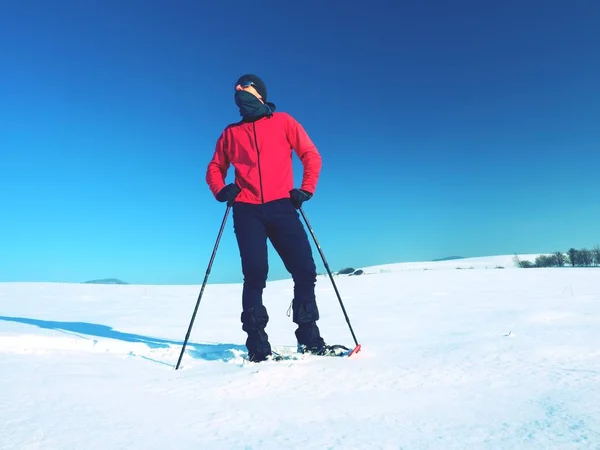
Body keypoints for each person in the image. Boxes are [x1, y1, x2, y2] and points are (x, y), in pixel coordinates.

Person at [205, 74, 334, 362]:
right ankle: (257, 346)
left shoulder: (284, 122)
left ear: (260, 94)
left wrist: (306, 189)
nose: (239, 91)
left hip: (282, 206)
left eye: (246, 87)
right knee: (255, 274)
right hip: (247, 209)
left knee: (304, 270)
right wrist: (221, 189)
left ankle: (310, 338)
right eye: (236, 89)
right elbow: (214, 168)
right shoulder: (230, 133)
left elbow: (311, 155)